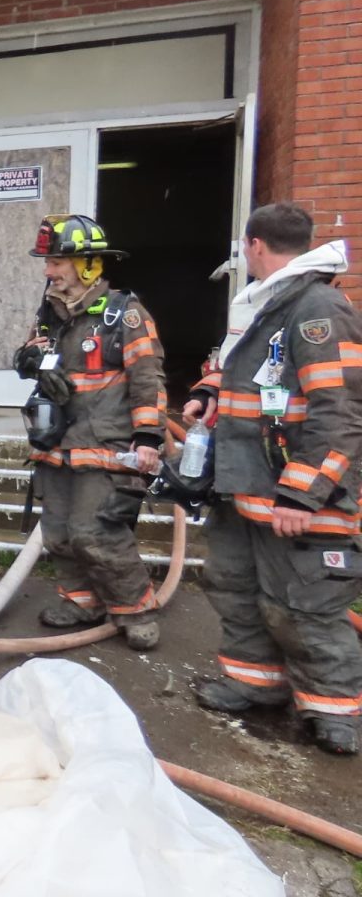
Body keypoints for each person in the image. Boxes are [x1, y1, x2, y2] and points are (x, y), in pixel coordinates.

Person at [183, 202, 362, 756]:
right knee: (235, 588)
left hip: (292, 496)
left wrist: (303, 493)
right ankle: (254, 683)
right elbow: (249, 372)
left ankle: (333, 707)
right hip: (244, 486)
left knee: (304, 606)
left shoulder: (317, 308)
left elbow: (342, 410)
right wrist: (208, 392)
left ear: (255, 244)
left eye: (245, 248)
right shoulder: (267, 304)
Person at [12, 214, 165, 651]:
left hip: (105, 446)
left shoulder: (125, 315)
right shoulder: (49, 312)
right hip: (56, 445)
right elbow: (27, 354)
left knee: (95, 533)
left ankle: (135, 608)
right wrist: (27, 358)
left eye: (56, 260)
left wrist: (149, 436)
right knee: (58, 533)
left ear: (89, 265)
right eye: (48, 261)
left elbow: (148, 377)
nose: (48, 270)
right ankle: (82, 602)